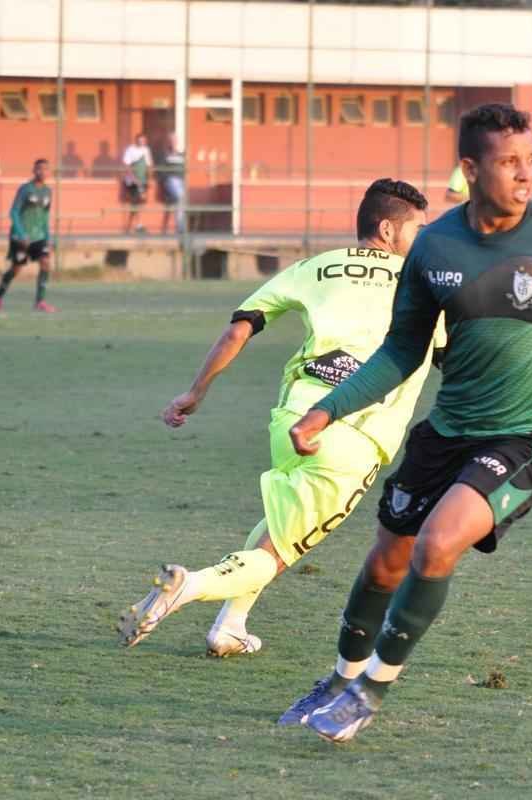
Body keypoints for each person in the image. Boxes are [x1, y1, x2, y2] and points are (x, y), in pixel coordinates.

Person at [281, 103, 532, 742]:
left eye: (531, 159)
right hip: (447, 432)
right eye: (509, 162)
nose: (525, 174)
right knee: (384, 564)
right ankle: (340, 679)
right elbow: (402, 349)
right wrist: (328, 407)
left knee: (437, 543)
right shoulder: (435, 245)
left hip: (529, 440)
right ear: (471, 168)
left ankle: (369, 692)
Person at [116, 179, 442, 658]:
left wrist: (196, 391)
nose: (425, 240)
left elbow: (240, 327)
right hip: (354, 434)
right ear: (389, 229)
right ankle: (188, 586)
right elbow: (456, 358)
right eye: (419, 229)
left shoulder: (315, 266)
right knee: (278, 553)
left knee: (279, 522)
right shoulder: (423, 286)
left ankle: (230, 626)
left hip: (294, 417)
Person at [0, 158, 57, 313]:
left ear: (49, 172)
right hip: (20, 238)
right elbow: (14, 212)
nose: (42, 172)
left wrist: (48, 238)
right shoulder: (25, 189)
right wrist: (21, 234)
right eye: (39, 169)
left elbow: (45, 216)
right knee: (16, 269)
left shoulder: (48, 192)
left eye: (45, 169)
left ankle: (40, 301)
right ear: (34, 171)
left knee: (45, 262)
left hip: (39, 237)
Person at [122, 133, 153, 234]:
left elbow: (149, 165)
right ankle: (138, 226)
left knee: (137, 203)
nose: (142, 143)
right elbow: (126, 165)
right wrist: (133, 178)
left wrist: (149, 178)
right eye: (140, 141)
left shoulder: (146, 150)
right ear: (136, 140)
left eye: (144, 141)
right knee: (137, 200)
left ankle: (131, 227)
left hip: (143, 180)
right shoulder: (130, 149)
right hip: (132, 181)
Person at [160, 131, 186, 234]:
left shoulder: (181, 155)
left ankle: (169, 229)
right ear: (168, 142)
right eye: (171, 140)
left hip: (180, 182)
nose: (173, 142)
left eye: (175, 140)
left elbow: (185, 169)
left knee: (177, 204)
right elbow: (161, 170)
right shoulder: (166, 155)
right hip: (170, 180)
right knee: (180, 198)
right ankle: (180, 228)